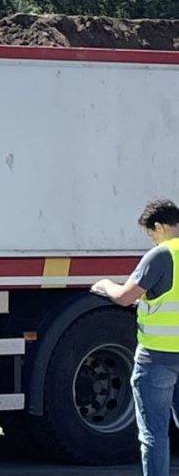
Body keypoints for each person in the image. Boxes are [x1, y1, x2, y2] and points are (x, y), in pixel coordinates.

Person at [91, 198, 179, 476]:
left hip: (158, 358)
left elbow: (125, 296)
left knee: (154, 434)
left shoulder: (162, 255)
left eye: (151, 233)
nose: (152, 240)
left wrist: (104, 284)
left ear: (161, 226)